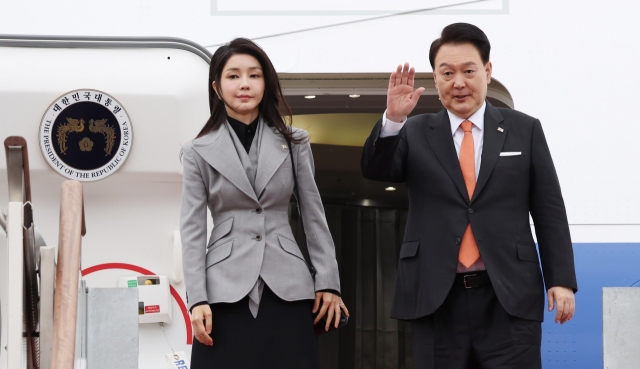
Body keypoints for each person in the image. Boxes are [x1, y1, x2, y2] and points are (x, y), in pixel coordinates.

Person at [361, 23, 577, 369]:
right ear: (435, 79)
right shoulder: (415, 131)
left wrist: (561, 280)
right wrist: (393, 121)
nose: (458, 82)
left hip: (508, 294)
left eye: (468, 71)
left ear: (487, 72)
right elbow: (377, 171)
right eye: (446, 73)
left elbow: (549, 209)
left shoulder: (525, 129)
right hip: (437, 297)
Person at [180, 38, 348, 368]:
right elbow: (192, 230)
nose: (244, 84)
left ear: (266, 83)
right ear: (216, 87)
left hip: (288, 285)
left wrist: (328, 281)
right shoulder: (196, 151)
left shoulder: (294, 141)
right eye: (233, 76)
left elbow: (314, 214)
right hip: (222, 291)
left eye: (254, 75)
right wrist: (197, 298)